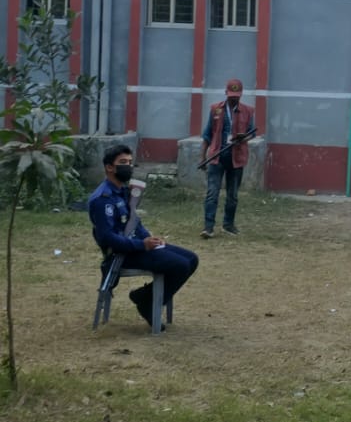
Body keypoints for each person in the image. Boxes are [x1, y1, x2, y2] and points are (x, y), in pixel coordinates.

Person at [88, 144, 199, 329]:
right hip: (121, 255)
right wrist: (142, 245)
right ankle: (147, 304)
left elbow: (134, 222)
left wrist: (150, 238)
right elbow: (107, 238)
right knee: (180, 265)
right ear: (109, 167)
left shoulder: (124, 191)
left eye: (130, 162)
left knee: (192, 259)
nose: (128, 166)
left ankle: (143, 296)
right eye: (123, 162)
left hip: (137, 246)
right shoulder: (102, 199)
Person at [199, 78, 257, 237]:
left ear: (241, 94)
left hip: (236, 158)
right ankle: (208, 227)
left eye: (236, 96)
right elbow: (207, 135)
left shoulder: (248, 111)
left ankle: (228, 224)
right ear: (226, 93)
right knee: (212, 193)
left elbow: (252, 132)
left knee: (232, 195)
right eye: (231, 95)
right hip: (217, 157)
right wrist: (202, 157)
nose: (233, 98)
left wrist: (243, 138)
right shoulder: (215, 110)